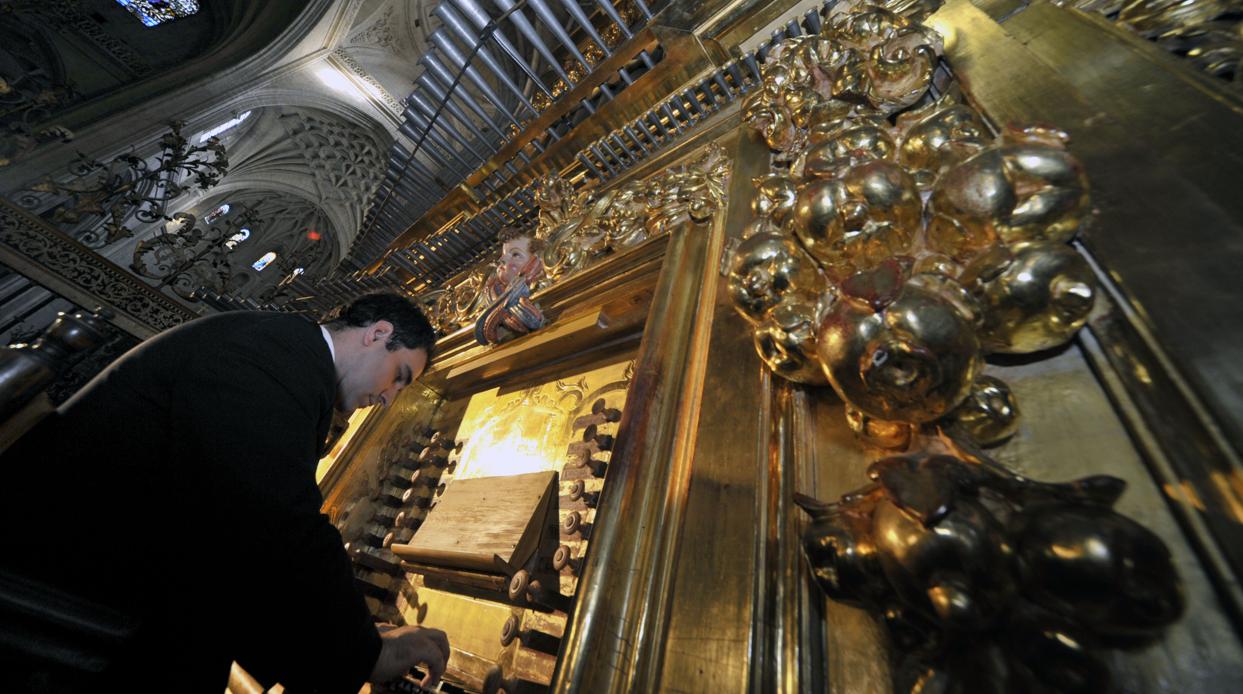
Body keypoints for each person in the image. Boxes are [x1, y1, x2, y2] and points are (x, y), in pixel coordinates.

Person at [0, 292, 450, 692]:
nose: (390, 398)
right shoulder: (272, 353)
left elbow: (245, 520)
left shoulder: (285, 353)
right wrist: (368, 653)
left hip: (103, 555)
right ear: (377, 333)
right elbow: (273, 521)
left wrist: (352, 640)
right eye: (399, 376)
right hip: (63, 573)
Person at [474, 226, 547, 346]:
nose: (502, 259)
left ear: (534, 263)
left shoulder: (539, 289)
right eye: (503, 254)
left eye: (515, 254)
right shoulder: (492, 292)